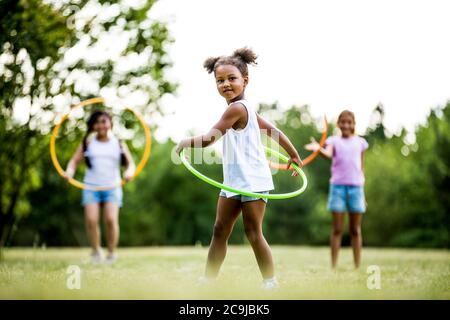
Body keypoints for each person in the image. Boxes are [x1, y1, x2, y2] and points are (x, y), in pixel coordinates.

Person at [176, 48, 303, 289]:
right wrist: (293, 154)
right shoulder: (244, 109)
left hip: (254, 180)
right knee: (219, 229)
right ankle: (208, 280)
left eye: (231, 78)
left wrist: (185, 143)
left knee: (253, 232)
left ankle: (270, 282)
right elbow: (273, 131)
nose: (225, 84)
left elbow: (209, 139)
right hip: (233, 181)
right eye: (220, 80)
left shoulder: (238, 108)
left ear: (245, 80)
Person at [65, 110, 135, 264]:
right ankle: (96, 252)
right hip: (91, 186)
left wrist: (129, 173)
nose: (101, 125)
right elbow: (74, 162)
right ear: (93, 125)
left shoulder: (118, 143)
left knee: (111, 220)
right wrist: (69, 172)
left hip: (113, 186)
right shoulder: (88, 142)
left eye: (104, 121)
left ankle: (111, 253)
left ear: (110, 123)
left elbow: (130, 164)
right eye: (97, 122)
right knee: (91, 220)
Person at [305, 110, 368, 269]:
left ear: (354, 124)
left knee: (355, 230)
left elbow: (362, 167)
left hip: (356, 188)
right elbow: (328, 154)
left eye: (349, 122)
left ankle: (357, 266)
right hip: (338, 188)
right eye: (343, 122)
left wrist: (363, 192)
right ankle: (333, 266)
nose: (346, 125)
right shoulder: (333, 140)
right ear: (339, 124)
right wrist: (318, 149)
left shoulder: (361, 143)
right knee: (337, 229)